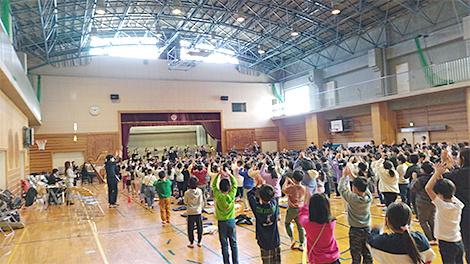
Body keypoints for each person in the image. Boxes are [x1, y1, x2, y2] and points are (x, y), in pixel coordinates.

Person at [366, 202, 436, 264]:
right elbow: (429, 258)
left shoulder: (382, 243)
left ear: (388, 221)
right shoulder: (420, 239)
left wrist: (376, 229)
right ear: (409, 221)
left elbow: (369, 240)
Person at [425, 162, 465, 264]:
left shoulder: (442, 205)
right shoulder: (457, 203)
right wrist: (439, 175)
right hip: (458, 242)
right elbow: (446, 188)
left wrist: (436, 173)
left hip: (446, 244)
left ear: (440, 194)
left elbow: (428, 188)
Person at [340, 166, 373, 264]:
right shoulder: (368, 198)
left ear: (354, 188)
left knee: (355, 254)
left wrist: (344, 176)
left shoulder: (352, 198)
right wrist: (354, 177)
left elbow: (341, 188)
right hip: (367, 228)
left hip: (355, 229)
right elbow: (365, 188)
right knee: (367, 253)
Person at [442, 147, 470, 263]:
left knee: (468, 246)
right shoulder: (457, 173)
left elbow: (441, 180)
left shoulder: (456, 175)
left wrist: (445, 163)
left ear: (462, 159)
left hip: (465, 215)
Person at [299, 193, 340, 264]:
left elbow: (302, 215)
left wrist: (305, 204)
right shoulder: (331, 222)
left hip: (317, 260)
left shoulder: (308, 224)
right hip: (333, 259)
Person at [247, 184, 281, 264]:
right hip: (275, 240)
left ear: (259, 196)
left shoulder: (257, 208)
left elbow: (249, 195)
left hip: (264, 242)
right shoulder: (274, 204)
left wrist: (257, 186)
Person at [212, 171, 238, 264]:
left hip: (221, 222)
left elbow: (213, 185)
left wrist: (217, 175)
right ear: (229, 188)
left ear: (219, 188)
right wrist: (230, 175)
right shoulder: (232, 195)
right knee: (233, 243)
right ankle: (236, 262)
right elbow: (235, 184)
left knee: (224, 245)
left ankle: (226, 262)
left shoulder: (218, 196)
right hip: (231, 221)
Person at [410, 161, 437, 245]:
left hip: (422, 202)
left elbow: (413, 188)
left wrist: (414, 179)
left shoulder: (420, 180)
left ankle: (429, 238)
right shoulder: (434, 178)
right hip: (433, 201)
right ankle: (435, 236)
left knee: (423, 220)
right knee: (432, 220)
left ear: (423, 170)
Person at [282, 170, 308, 250]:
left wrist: (286, 181)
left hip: (292, 209)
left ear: (293, 178)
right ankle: (301, 244)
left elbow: (284, 189)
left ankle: (292, 239)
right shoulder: (304, 188)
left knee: (287, 223)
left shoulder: (291, 188)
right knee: (300, 227)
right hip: (300, 209)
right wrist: (292, 182)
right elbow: (297, 187)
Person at [184, 176, 204, 248]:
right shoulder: (200, 191)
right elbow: (201, 201)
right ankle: (199, 241)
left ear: (189, 184)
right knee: (199, 227)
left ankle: (191, 242)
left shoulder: (187, 193)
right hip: (198, 211)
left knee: (190, 228)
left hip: (190, 212)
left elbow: (185, 202)